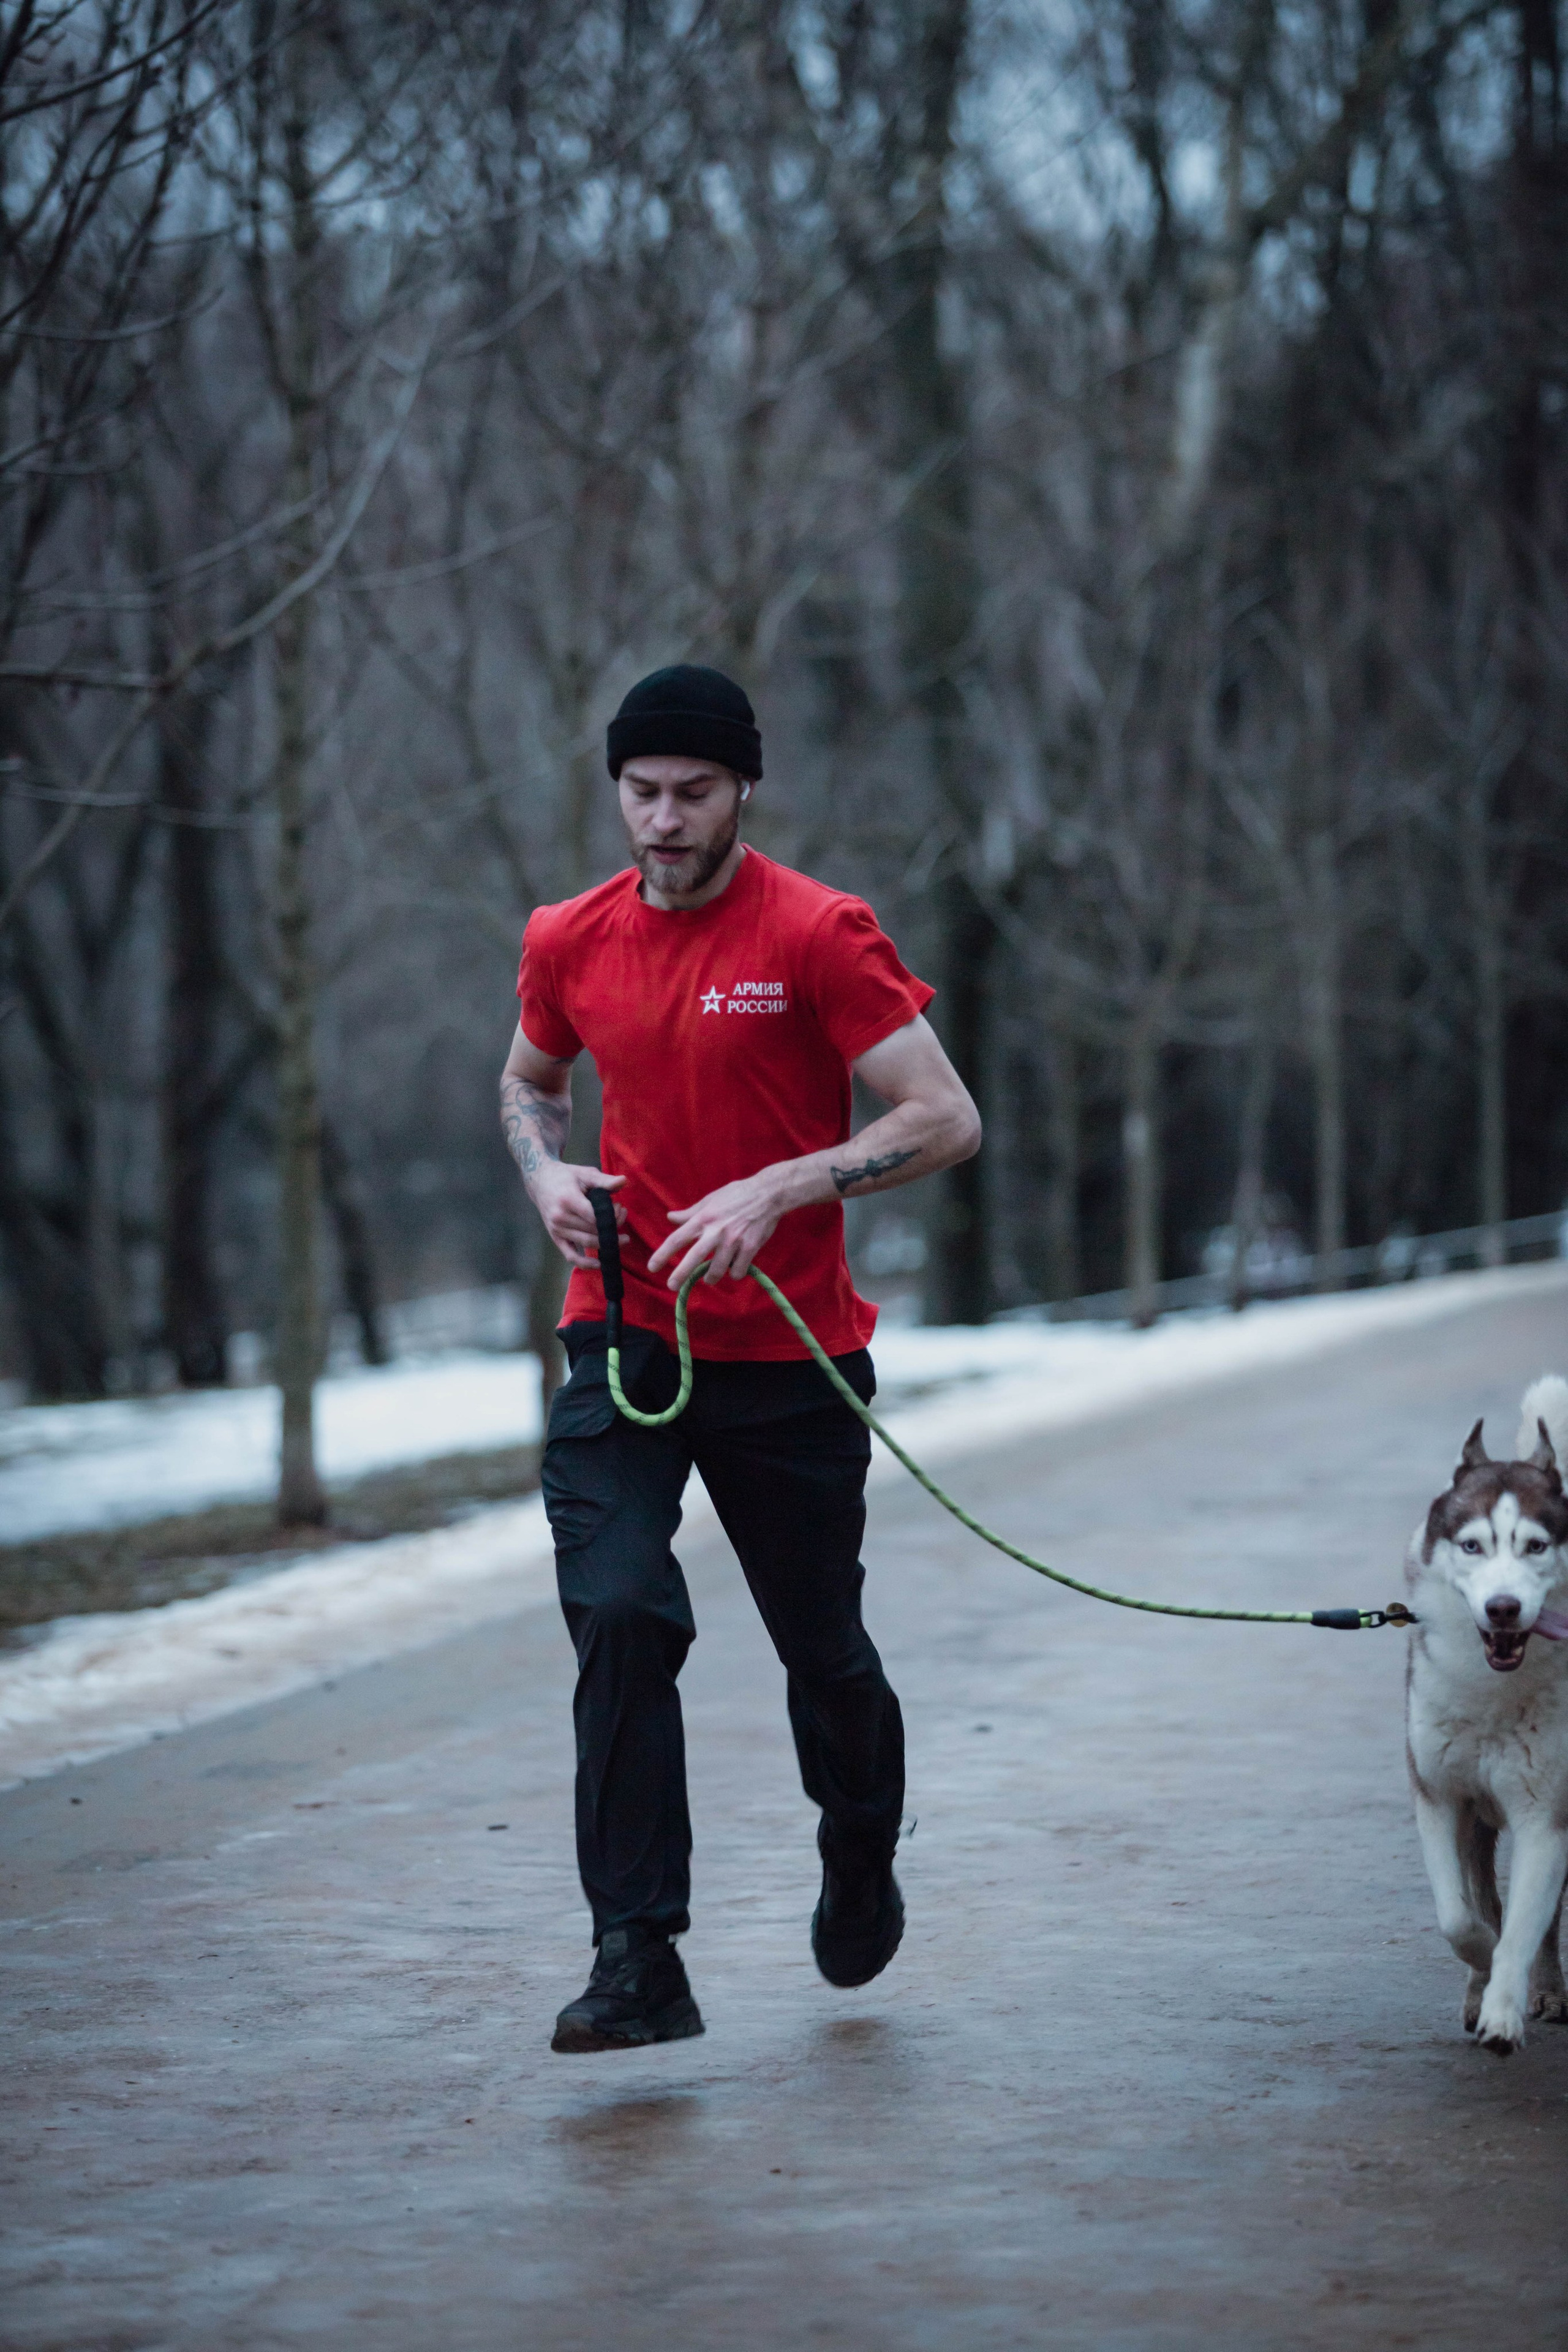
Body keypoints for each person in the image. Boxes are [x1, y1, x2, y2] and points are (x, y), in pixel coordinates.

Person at [500, 663, 981, 2052]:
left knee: (820, 1648)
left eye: (691, 793)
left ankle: (858, 1837)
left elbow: (942, 1117)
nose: (661, 820)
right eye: (640, 792)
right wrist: (540, 1171)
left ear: (742, 788)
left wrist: (782, 1186)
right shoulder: (565, 937)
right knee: (618, 1611)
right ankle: (637, 1953)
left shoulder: (819, 932)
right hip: (626, 1333)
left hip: (788, 1357)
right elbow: (527, 1079)